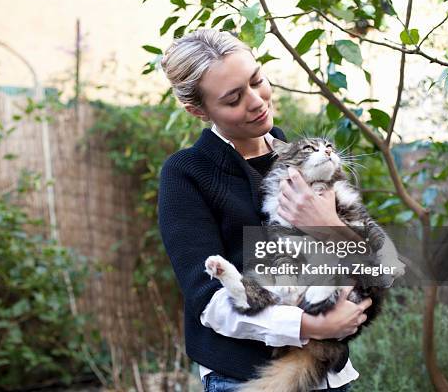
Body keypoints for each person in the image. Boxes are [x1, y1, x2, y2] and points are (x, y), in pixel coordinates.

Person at [157, 29, 372, 391]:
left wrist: (329, 226)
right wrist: (312, 326)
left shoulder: (301, 155)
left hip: (327, 375)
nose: (257, 101)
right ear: (198, 109)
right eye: (233, 98)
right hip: (243, 376)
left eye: (257, 80)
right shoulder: (186, 173)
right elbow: (207, 301)